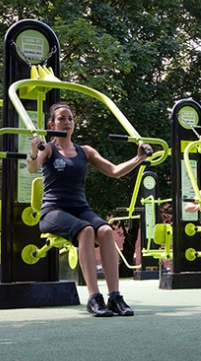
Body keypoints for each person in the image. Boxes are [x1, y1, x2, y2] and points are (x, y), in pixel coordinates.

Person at [27, 102, 150, 317]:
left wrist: (139, 158)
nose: (67, 122)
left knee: (106, 231)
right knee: (86, 231)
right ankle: (94, 298)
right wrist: (32, 151)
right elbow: (32, 168)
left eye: (70, 118)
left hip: (79, 208)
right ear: (51, 123)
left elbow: (114, 171)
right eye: (61, 118)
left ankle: (114, 297)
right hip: (53, 211)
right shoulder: (48, 149)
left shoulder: (85, 151)